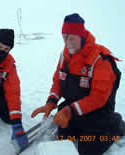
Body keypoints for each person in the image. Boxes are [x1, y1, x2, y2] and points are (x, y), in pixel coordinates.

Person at [31, 13, 124, 155]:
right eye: (64, 37)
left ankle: (115, 124)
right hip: (74, 109)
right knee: (63, 137)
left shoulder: (100, 59)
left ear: (81, 36)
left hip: (98, 113)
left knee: (88, 149)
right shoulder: (65, 55)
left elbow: (98, 98)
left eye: (71, 38)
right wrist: (51, 101)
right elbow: (58, 80)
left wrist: (69, 111)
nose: (67, 42)